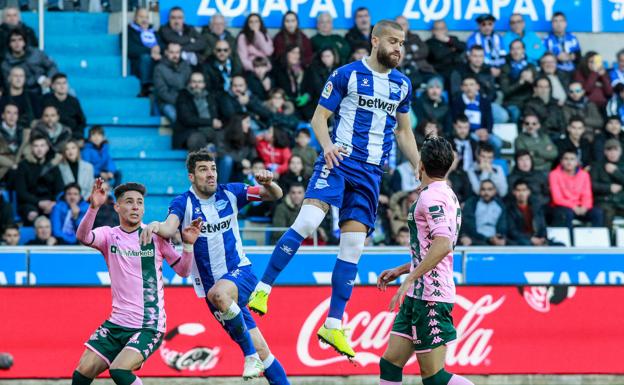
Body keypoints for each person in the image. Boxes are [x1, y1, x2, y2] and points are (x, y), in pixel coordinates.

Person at [247, 20, 421, 358]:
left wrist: (419, 167)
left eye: (402, 43)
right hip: (339, 161)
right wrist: (326, 146)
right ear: (375, 41)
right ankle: (263, 287)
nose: (399, 48)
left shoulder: (402, 84)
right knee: (309, 222)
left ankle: (333, 324)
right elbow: (318, 118)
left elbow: (404, 132)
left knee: (353, 247)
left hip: (371, 173)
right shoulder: (347, 74)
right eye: (393, 41)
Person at [140, 151, 289, 383]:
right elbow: (169, 229)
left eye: (213, 169)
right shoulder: (183, 202)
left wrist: (270, 183)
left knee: (220, 296)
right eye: (203, 170)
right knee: (263, 350)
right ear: (191, 176)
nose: (211, 174)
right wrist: (155, 225)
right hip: (213, 292)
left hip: (240, 273)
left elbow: (275, 195)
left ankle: (249, 356)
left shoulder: (231, 192)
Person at [71, 179, 200, 385]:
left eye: (139, 202)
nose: (135, 207)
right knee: (81, 374)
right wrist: (93, 208)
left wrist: (188, 245)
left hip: (149, 325)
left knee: (120, 371)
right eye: (129, 202)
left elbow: (183, 271)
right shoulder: (109, 235)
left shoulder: (156, 237)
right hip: (116, 323)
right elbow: (83, 236)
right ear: (117, 207)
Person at [377, 136, 473, 385]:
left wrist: (410, 278)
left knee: (434, 378)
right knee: (390, 364)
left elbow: (442, 244)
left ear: (420, 164)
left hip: (431, 296)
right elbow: (435, 247)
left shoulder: (431, 198)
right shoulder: (446, 194)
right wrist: (402, 270)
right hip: (418, 295)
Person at [15, 134, 63, 224]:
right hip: (30, 203)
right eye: (36, 146)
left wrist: (53, 203)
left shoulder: (52, 165)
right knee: (32, 215)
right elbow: (21, 192)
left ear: (47, 148)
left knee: (59, 213)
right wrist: (39, 202)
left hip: (50, 202)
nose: (39, 149)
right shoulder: (23, 165)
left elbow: (59, 188)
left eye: (42, 145)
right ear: (31, 148)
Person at [549, 150, 603, 228]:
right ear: (561, 161)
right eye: (566, 159)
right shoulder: (554, 174)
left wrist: (585, 207)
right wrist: (573, 206)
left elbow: (587, 195)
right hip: (562, 207)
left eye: (572, 159)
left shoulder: (584, 175)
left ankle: (595, 239)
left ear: (577, 162)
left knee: (597, 213)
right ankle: (569, 239)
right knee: (566, 214)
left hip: (580, 207)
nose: (569, 162)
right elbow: (557, 199)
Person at [450, 75, 503, 154]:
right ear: (462, 88)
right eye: (466, 85)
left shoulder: (485, 101)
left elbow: (489, 120)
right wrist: (474, 132)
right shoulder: (457, 102)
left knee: (497, 142)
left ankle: (493, 163)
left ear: (477, 87)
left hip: (484, 132)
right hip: (467, 133)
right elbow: (456, 121)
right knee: (474, 140)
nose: (469, 88)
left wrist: (486, 131)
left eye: (471, 84)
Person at [173, 71, 222, 151]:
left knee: (224, 137)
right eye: (194, 82)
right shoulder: (183, 96)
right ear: (189, 83)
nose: (197, 85)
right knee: (196, 139)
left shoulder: (210, 96)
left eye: (199, 82)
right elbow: (187, 119)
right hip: (192, 131)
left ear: (204, 84)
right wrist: (211, 122)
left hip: (211, 130)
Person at [1, 29, 58, 94]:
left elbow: (52, 66)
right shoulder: (6, 64)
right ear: (9, 44)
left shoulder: (36, 53)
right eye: (13, 40)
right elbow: (10, 85)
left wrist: (49, 79)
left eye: (20, 39)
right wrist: (38, 80)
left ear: (24, 42)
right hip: (25, 94)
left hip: (47, 88)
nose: (17, 43)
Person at [460, 179, 508, 246]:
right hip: (475, 239)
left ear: (495, 191)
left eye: (489, 189)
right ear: (479, 191)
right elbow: (469, 226)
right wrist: (488, 239)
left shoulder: (500, 206)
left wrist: (500, 236)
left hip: (496, 239)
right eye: (483, 189)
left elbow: (502, 225)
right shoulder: (472, 203)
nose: (486, 192)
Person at [499, 39, 537, 122]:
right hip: (512, 102)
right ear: (510, 51)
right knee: (515, 113)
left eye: (518, 48)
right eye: (513, 49)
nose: (516, 52)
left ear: (523, 50)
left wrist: (531, 81)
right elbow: (506, 91)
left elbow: (539, 86)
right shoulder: (505, 67)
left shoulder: (531, 67)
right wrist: (521, 82)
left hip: (529, 101)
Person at [127, 7, 161, 97]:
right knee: (145, 58)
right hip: (139, 63)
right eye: (141, 17)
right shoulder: (129, 31)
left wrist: (158, 50)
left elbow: (162, 45)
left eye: (146, 17)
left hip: (156, 59)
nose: (144, 20)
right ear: (135, 18)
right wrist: (151, 51)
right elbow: (130, 49)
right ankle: (146, 87)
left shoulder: (154, 32)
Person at [153, 42, 191, 123]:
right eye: (172, 52)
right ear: (166, 52)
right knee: (176, 117)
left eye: (177, 52)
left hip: (185, 101)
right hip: (167, 103)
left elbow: (189, 85)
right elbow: (162, 92)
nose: (175, 55)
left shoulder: (186, 66)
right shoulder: (159, 68)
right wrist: (179, 102)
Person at [506, 179, 551, 246]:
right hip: (521, 241)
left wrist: (542, 239)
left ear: (529, 192)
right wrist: (530, 239)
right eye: (518, 190)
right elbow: (512, 232)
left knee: (560, 245)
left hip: (537, 239)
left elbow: (542, 227)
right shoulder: (510, 210)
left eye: (524, 190)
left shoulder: (536, 208)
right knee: (525, 243)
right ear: (514, 192)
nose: (521, 193)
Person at [590, 139, 624, 228]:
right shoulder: (597, 166)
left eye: (615, 150)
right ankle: (607, 241)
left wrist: (616, 172)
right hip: (604, 201)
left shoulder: (622, 165)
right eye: (609, 150)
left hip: (621, 202)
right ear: (605, 152)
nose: (612, 153)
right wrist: (608, 188)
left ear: (620, 151)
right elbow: (591, 185)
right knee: (607, 214)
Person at [42, 73, 87, 140]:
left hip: (72, 137)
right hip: (51, 137)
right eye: (59, 83)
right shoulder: (46, 100)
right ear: (53, 86)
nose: (62, 86)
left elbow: (81, 121)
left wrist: (78, 136)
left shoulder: (74, 101)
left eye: (64, 83)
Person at [395, 16, 435, 80]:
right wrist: (413, 50)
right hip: (404, 71)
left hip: (422, 69)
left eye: (403, 24)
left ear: (408, 26)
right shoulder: (392, 40)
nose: (401, 27)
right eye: (398, 25)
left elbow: (425, 51)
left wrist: (409, 55)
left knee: (435, 79)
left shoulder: (415, 37)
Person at [223, 114, 257, 182]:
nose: (249, 125)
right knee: (227, 160)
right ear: (238, 123)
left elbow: (253, 156)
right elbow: (221, 152)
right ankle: (221, 189)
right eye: (247, 122)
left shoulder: (249, 136)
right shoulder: (224, 134)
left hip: (240, 170)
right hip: (225, 168)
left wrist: (251, 167)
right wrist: (241, 160)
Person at [0, 103, 28, 182]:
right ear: (3, 115)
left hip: (18, 167)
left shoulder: (24, 132)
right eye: (9, 113)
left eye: (15, 113)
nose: (12, 116)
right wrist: (12, 165)